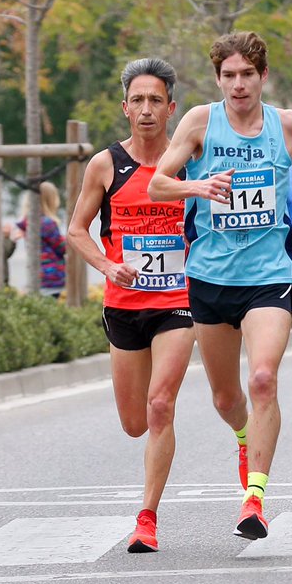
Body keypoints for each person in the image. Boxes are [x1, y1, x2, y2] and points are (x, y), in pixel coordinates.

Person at [149, 31, 292, 539]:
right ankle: (242, 435)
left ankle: (254, 499)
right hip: (209, 279)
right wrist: (198, 186)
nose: (238, 84)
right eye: (229, 75)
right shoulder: (199, 122)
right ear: (217, 79)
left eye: (247, 74)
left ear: (263, 76)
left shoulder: (288, 125)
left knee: (263, 379)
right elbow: (158, 183)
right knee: (226, 399)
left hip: (268, 278)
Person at [66, 58, 196, 553]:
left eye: (155, 101)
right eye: (137, 100)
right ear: (125, 108)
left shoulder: (188, 164)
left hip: (177, 302)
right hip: (123, 305)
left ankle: (147, 519)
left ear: (171, 108)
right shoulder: (106, 165)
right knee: (135, 422)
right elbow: (77, 230)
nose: (146, 110)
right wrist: (107, 266)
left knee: (161, 405)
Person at [12, 181, 67, 297]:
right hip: (51, 276)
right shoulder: (47, 223)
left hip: (36, 274)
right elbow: (62, 248)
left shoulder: (28, 221)